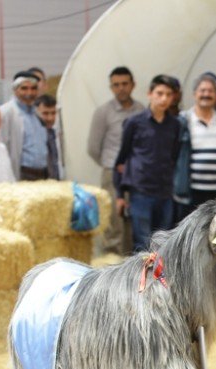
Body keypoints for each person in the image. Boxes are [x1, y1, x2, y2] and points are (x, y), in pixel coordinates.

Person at [114, 75, 182, 252]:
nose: (164, 98)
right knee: (142, 244)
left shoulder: (175, 125)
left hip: (165, 192)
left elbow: (173, 157)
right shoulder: (134, 123)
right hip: (141, 192)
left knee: (163, 243)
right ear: (149, 94)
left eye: (168, 94)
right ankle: (141, 280)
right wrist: (120, 194)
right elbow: (122, 159)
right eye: (159, 93)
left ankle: (160, 279)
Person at [87, 66, 145, 257]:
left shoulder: (141, 110)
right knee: (114, 223)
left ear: (133, 85)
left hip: (137, 175)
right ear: (111, 88)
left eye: (125, 84)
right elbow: (93, 148)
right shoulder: (103, 112)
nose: (121, 88)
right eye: (116, 85)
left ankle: (130, 266)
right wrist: (111, 166)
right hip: (113, 174)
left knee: (133, 222)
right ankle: (111, 263)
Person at [174, 74, 216, 216]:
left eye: (210, 91)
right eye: (202, 90)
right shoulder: (183, 122)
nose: (206, 94)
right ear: (194, 94)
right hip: (190, 193)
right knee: (191, 236)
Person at [0, 70, 50, 181]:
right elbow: (0, 147)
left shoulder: (37, 113)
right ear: (15, 90)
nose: (29, 93)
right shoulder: (6, 112)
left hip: (42, 173)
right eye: (24, 88)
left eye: (33, 88)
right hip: (21, 173)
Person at [34, 94, 62, 180]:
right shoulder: (32, 136)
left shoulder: (52, 133)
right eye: (45, 113)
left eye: (53, 113)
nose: (50, 118)